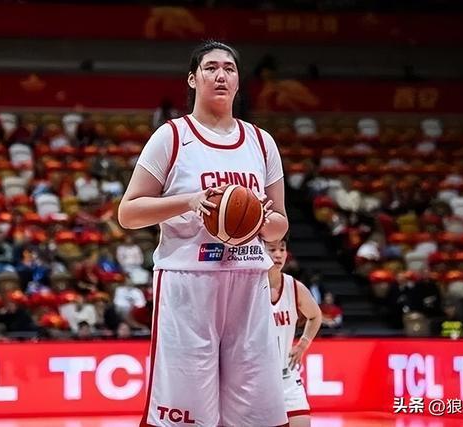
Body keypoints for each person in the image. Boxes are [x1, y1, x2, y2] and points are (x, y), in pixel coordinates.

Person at [119, 40, 289, 426]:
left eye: (229, 68)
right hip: (188, 282)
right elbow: (128, 213)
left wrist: (260, 220)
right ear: (193, 79)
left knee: (256, 415)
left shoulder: (262, 142)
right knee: (186, 415)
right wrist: (189, 201)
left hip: (249, 281)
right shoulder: (172, 137)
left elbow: (280, 223)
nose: (221, 75)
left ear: (238, 82)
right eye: (211, 68)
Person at [266, 237, 322, 426]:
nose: (278, 254)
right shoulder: (248, 288)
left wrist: (303, 344)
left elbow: (315, 315)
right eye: (272, 249)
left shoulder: (294, 286)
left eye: (282, 249)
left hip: (287, 378)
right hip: (257, 380)